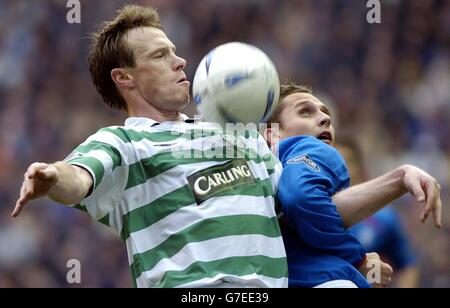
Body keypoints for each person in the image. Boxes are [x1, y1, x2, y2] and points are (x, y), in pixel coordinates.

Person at [11, 5, 289, 288]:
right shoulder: (125, 144)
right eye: (160, 55)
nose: (180, 61)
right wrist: (54, 178)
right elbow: (79, 177)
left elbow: (302, 206)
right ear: (124, 78)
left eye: (173, 51)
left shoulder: (242, 135)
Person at [264, 83, 442, 288]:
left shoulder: (259, 180)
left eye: (326, 113)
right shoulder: (311, 150)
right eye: (305, 112)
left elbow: (407, 267)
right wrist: (358, 260)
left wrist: (400, 178)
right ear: (273, 133)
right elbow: (302, 199)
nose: (326, 118)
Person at [337, 140, 420, 288]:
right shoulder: (311, 214)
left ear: (360, 167)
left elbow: (408, 267)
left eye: (348, 161)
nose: (341, 167)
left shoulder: (383, 218)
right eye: (335, 160)